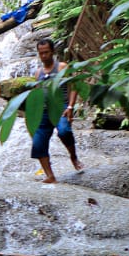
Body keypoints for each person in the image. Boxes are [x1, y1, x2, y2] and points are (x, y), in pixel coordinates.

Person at [31, 38, 83, 183]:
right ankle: (50, 175)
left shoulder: (61, 67)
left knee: (64, 131)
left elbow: (73, 86)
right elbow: (37, 93)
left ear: (53, 52)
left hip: (61, 108)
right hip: (44, 112)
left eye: (46, 52)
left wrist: (71, 107)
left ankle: (73, 157)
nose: (43, 56)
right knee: (38, 143)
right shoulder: (38, 73)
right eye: (41, 53)